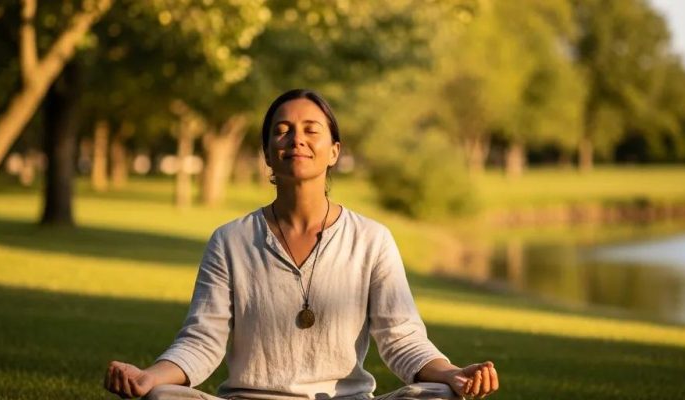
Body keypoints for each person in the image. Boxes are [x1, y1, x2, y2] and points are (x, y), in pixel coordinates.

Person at [104, 89, 499, 400]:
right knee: (165, 397)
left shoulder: (371, 239)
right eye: (282, 130)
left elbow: (402, 338)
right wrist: (149, 377)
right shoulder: (231, 240)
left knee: (438, 395)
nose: (297, 139)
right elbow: (202, 340)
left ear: (334, 152)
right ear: (268, 154)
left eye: (312, 130)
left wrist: (452, 374)